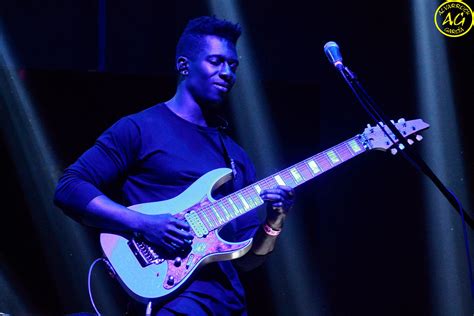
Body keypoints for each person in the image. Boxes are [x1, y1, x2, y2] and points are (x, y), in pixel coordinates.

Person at [54, 15, 294, 315]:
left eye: (233, 66)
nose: (227, 73)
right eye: (216, 62)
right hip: (171, 301)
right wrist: (145, 224)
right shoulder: (140, 128)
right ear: (184, 66)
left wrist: (274, 221)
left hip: (229, 305)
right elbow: (69, 188)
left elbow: (247, 261)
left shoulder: (236, 157)